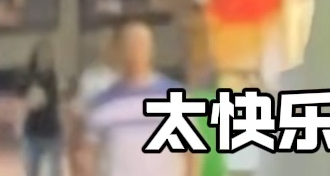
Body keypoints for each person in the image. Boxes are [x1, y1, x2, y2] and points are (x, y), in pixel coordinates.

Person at [80, 22, 198, 176]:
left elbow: (190, 153)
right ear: (119, 50)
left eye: (141, 44)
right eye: (129, 44)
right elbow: (88, 153)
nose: (136, 50)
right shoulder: (102, 103)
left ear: (152, 49)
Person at [68, 31, 119, 176]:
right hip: (96, 153)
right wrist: (74, 157)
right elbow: (78, 117)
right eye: (104, 46)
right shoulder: (91, 79)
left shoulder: (130, 80)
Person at [20, 39, 65, 176]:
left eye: (48, 55)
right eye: (42, 55)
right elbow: (23, 101)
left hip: (52, 131)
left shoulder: (56, 77)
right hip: (32, 132)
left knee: (55, 171)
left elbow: (61, 103)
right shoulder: (27, 78)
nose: (45, 58)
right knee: (32, 170)